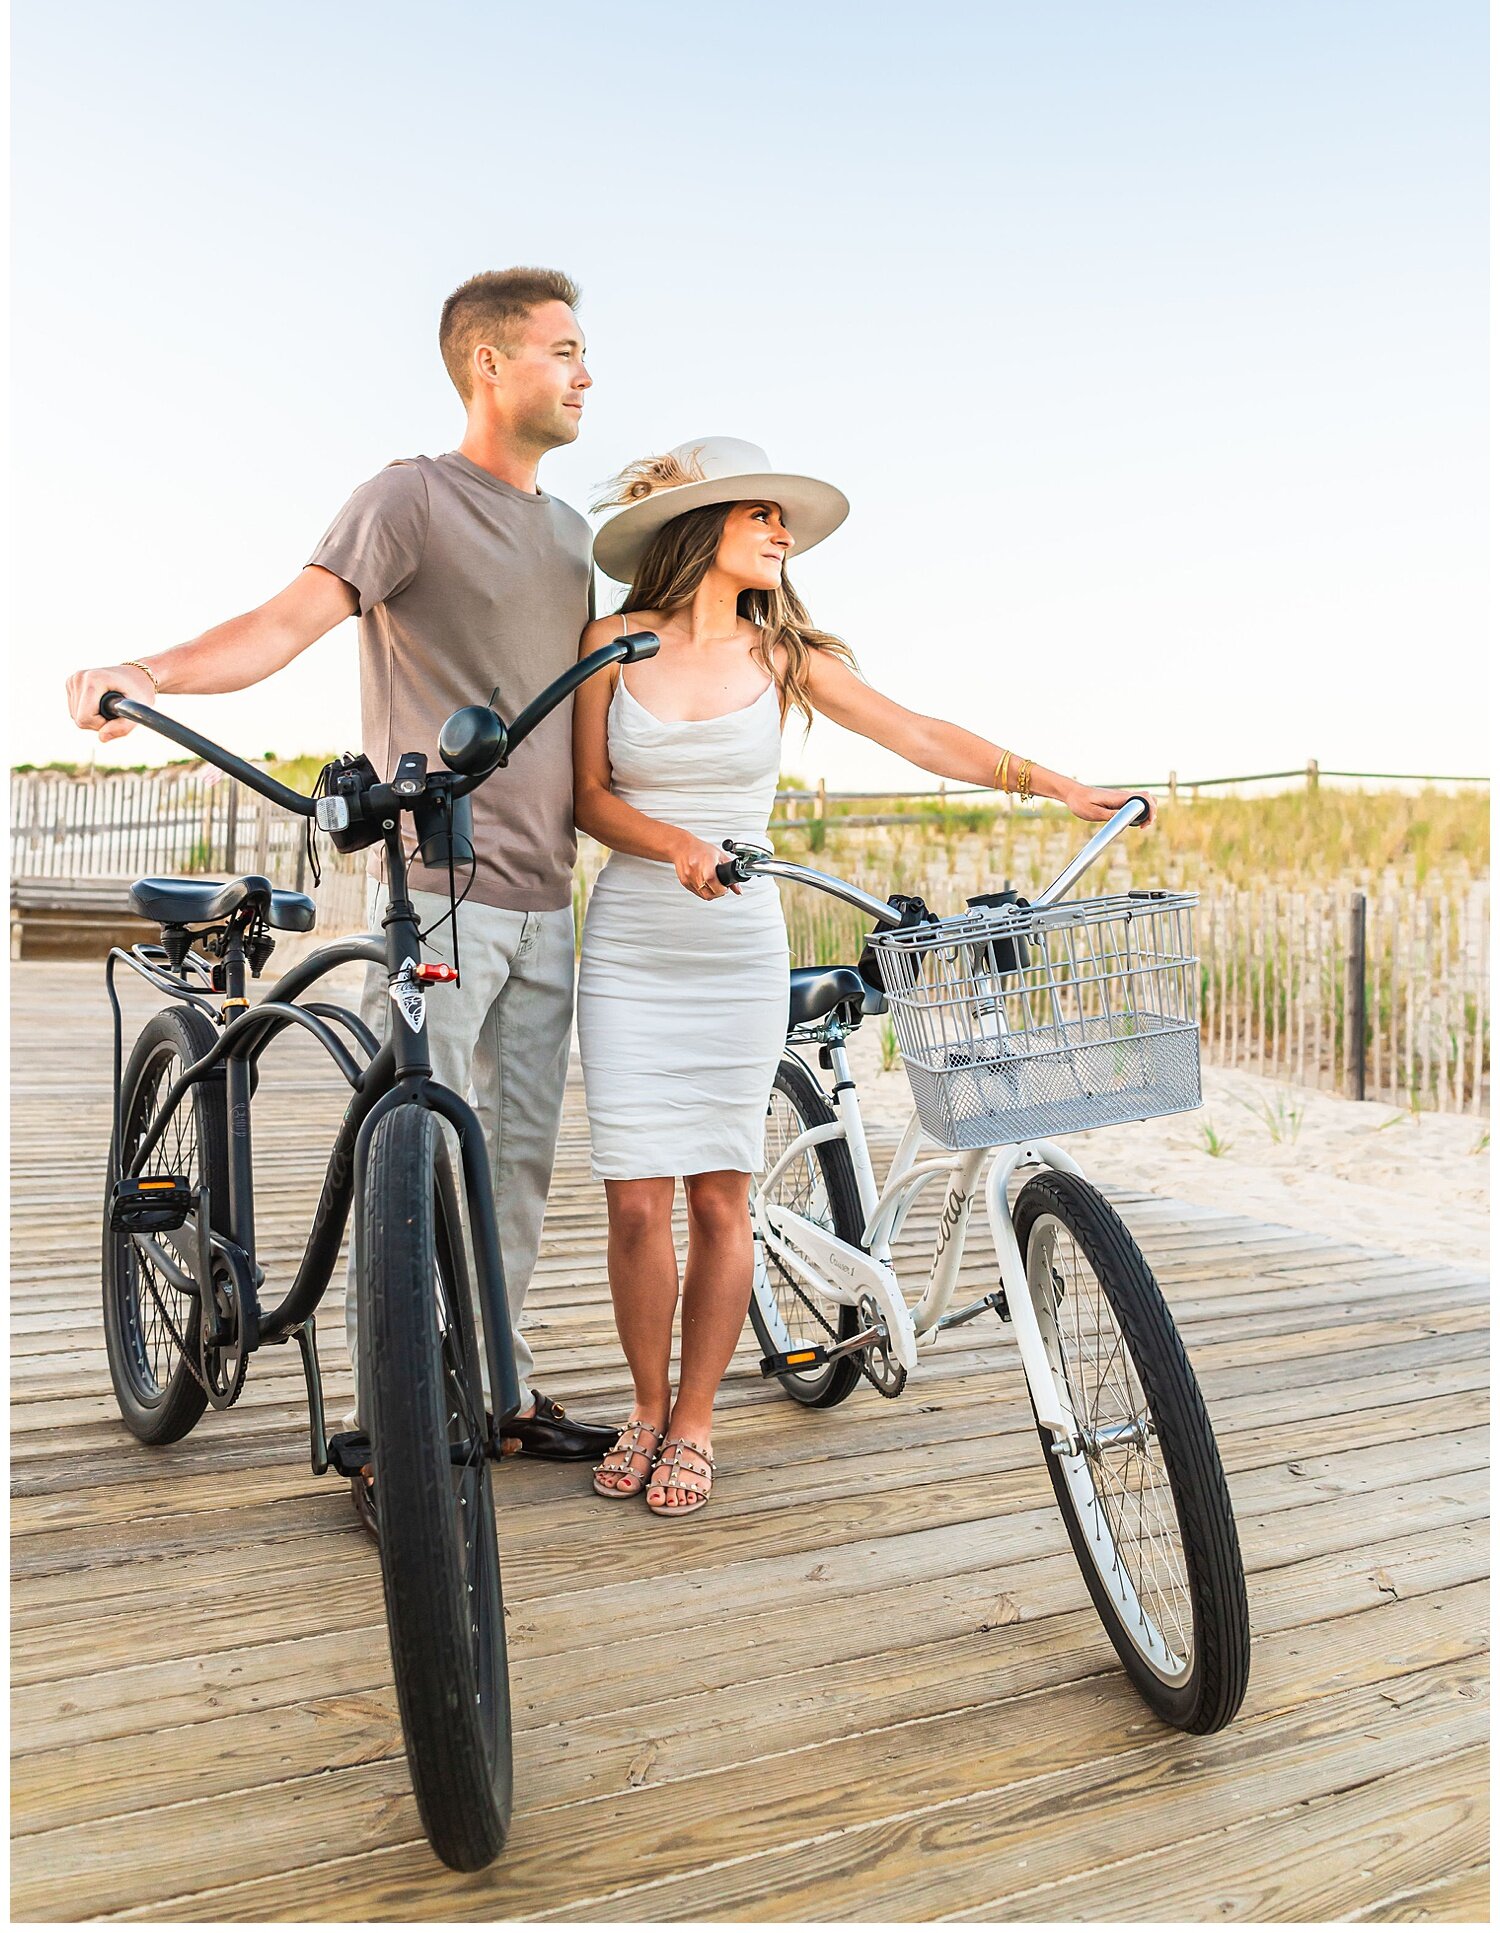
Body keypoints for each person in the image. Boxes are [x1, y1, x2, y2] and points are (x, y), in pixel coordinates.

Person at [65, 266, 620, 1535]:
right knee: (417, 1154)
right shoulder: (409, 497)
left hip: (550, 893)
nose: (587, 372)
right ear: (490, 363)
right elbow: (284, 621)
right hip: (437, 886)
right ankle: (391, 1424)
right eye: (566, 349)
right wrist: (144, 672)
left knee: (514, 1169)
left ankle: (494, 1388)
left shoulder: (576, 537)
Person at [572, 437, 1153, 1517]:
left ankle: (695, 1422)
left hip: (736, 947)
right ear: (704, 526)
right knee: (635, 1202)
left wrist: (1055, 782)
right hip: (635, 942)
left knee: (718, 1193)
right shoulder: (611, 642)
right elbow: (589, 798)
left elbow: (917, 730)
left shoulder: (784, 654)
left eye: (784, 523)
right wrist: (672, 842)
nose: (784, 536)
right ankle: (644, 1410)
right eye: (764, 517)